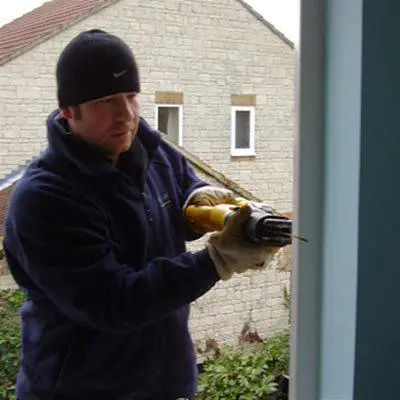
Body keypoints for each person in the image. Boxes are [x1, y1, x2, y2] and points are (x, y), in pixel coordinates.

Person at [3, 29, 280, 400]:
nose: (126, 115)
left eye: (131, 96)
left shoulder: (149, 148)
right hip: (80, 390)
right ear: (70, 112)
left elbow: (181, 186)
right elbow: (113, 302)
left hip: (165, 384)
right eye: (105, 101)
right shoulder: (45, 198)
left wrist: (198, 201)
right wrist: (217, 260)